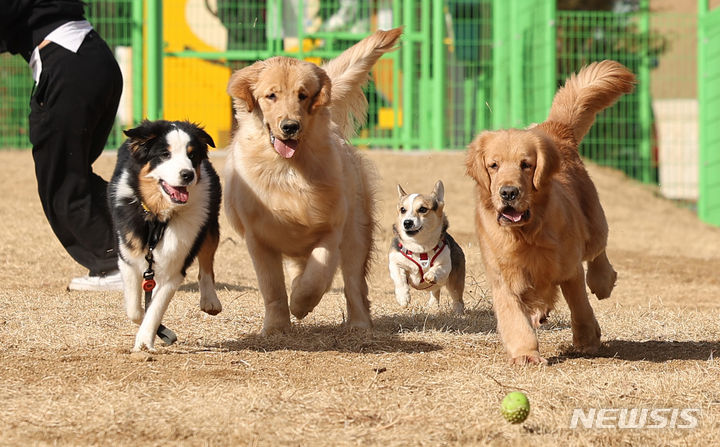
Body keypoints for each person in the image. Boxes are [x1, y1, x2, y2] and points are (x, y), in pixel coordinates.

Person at [1, 0, 124, 291]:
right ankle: (140, 244)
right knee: (73, 173)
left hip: (67, 64)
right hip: (95, 58)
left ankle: (115, 265)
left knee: (61, 181)